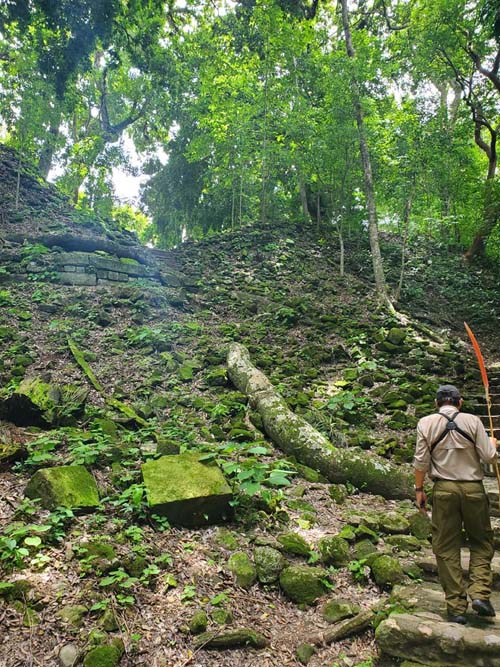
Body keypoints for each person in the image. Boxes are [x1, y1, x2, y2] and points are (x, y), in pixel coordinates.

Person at [414, 384, 498, 624]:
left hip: (443, 491)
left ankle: (456, 606)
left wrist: (419, 490)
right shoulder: (473, 421)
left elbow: (421, 462)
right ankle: (480, 593)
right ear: (460, 402)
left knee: (446, 547)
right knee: (481, 542)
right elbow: (489, 457)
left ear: (436, 403)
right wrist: (493, 443)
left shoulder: (426, 423)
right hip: (473, 489)